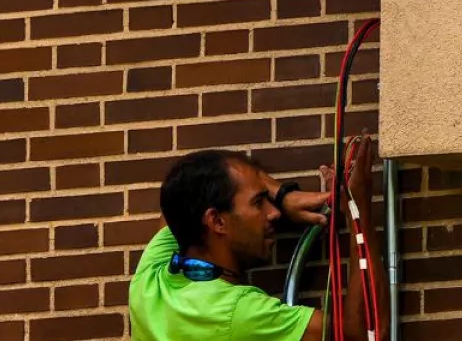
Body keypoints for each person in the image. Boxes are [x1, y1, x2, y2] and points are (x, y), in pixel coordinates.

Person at [129, 134, 384, 341]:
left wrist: (283, 194)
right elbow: (363, 335)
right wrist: (358, 206)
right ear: (217, 221)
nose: (273, 212)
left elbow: (177, 197)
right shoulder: (239, 312)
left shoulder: (150, 281)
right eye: (258, 202)